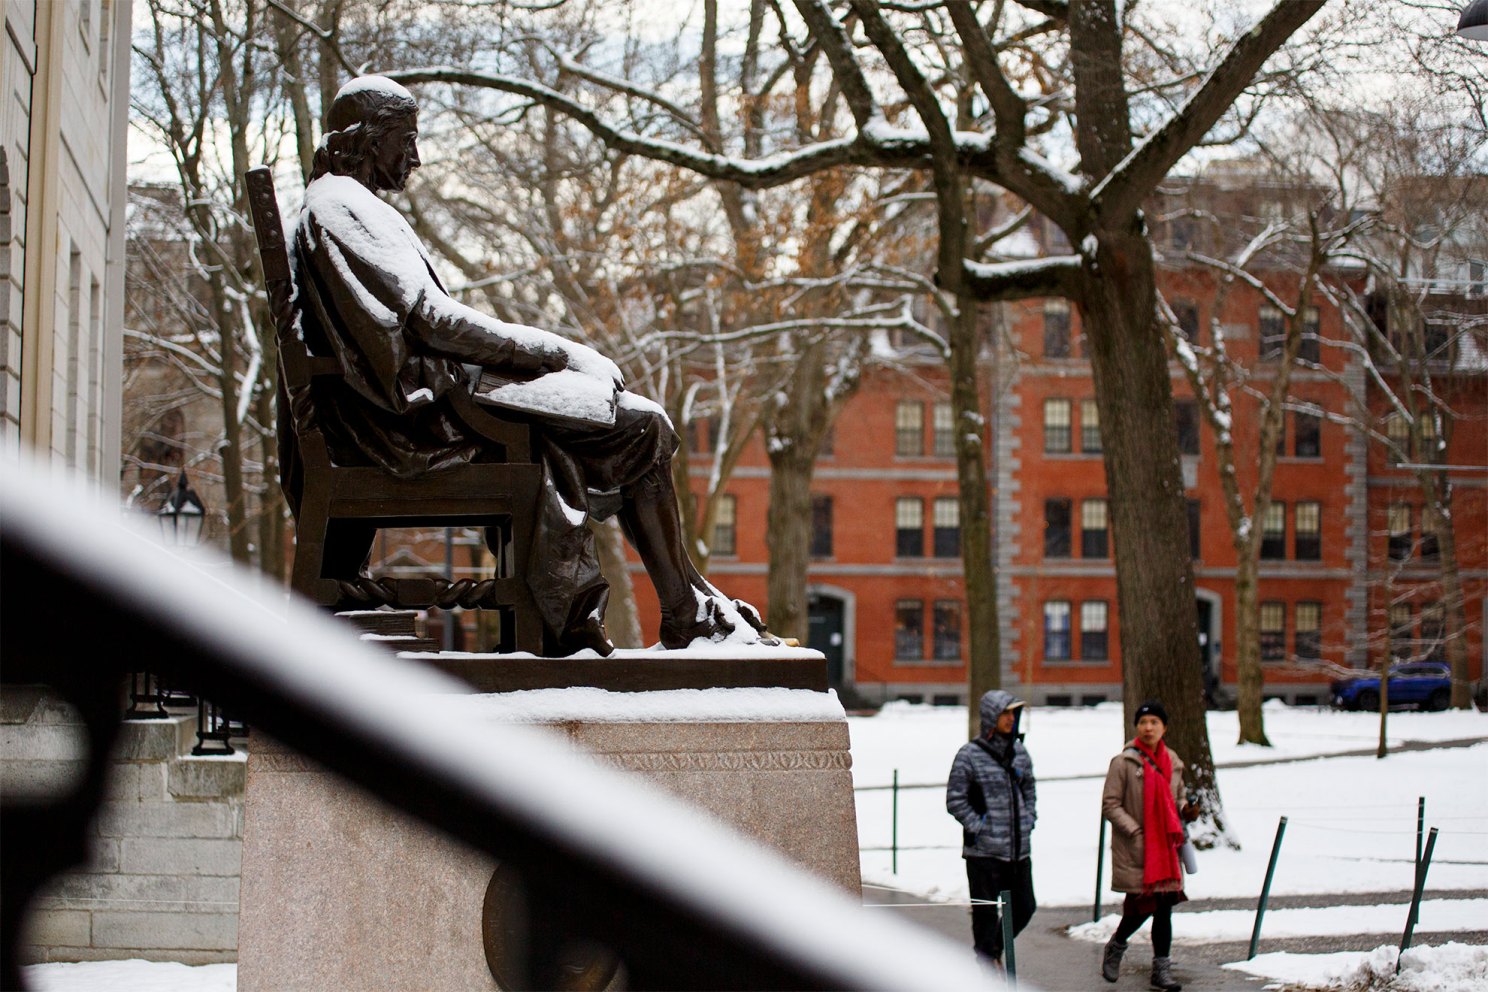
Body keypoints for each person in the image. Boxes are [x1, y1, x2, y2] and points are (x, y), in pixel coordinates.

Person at [286, 75, 774, 656]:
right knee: (641, 426)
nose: (415, 157)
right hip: (408, 429)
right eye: (406, 140)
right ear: (368, 140)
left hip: (415, 414)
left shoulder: (345, 207)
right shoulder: (342, 208)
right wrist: (556, 352)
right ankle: (683, 612)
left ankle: (686, 604)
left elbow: (425, 323)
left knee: (638, 424)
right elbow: (433, 322)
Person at [1099, 700, 1198, 991]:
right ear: (1136, 728)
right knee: (1139, 908)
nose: (1148, 727)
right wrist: (1134, 830)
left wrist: (1187, 810)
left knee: (1164, 907)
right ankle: (1117, 945)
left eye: (1154, 722)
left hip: (1166, 848)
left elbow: (1176, 799)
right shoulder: (1124, 762)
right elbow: (1110, 804)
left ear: (1164, 727)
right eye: (1143, 722)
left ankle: (1161, 970)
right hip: (1138, 848)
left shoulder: (1173, 762)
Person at [945, 690, 1037, 968]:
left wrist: (1028, 818)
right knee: (985, 916)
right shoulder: (969, 755)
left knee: (1024, 907)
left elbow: (1029, 789)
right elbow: (955, 799)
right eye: (1005, 713)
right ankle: (985, 964)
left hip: (1018, 852)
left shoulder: (1019, 752)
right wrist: (980, 826)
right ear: (990, 717)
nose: (1011, 719)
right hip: (982, 854)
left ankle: (991, 951)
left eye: (1014, 713)